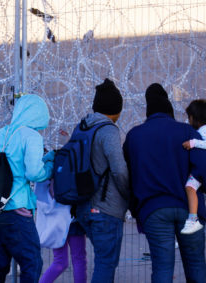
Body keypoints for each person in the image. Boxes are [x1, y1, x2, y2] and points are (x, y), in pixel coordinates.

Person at [123, 83, 206, 283]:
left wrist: (136, 209)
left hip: (154, 210)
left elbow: (127, 178)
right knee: (196, 264)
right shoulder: (187, 132)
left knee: (162, 268)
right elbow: (205, 166)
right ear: (169, 108)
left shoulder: (134, 137)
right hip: (188, 207)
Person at [0, 94, 54, 283]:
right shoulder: (31, 136)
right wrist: (50, 167)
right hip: (16, 209)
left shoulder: (3, 133)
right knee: (32, 263)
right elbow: (34, 172)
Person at [75, 78, 130, 283]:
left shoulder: (82, 127)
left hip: (82, 206)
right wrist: (128, 195)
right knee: (106, 263)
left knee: (102, 260)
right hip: (105, 209)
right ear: (116, 109)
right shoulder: (108, 130)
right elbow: (119, 170)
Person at [181, 99, 206, 234]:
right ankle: (192, 220)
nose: (188, 121)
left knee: (190, 187)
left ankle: (192, 220)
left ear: (194, 117)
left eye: (189, 118)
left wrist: (193, 143)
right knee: (190, 188)